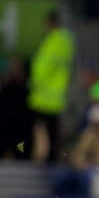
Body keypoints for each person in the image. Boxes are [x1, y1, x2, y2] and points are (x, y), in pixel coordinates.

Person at [27, 10, 74, 163]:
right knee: (49, 133)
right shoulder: (58, 41)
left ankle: (45, 159)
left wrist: (35, 82)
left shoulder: (56, 41)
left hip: (46, 98)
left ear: (50, 23)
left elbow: (46, 68)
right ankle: (47, 158)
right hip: (47, 98)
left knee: (46, 133)